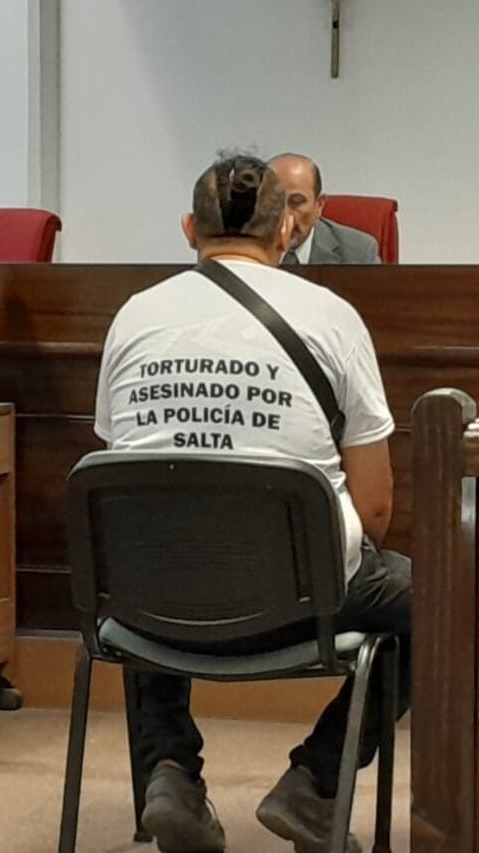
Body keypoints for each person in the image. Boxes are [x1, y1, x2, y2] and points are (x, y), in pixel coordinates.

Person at [94, 152, 410, 853]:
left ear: (187, 228)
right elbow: (379, 509)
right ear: (287, 232)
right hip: (302, 602)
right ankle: (316, 785)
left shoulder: (131, 319)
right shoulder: (334, 317)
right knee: (438, 598)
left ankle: (169, 772)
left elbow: (125, 489)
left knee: (151, 552)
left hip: (154, 609)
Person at [268, 153, 381, 265]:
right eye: (274, 201)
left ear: (319, 205)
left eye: (296, 202)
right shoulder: (250, 244)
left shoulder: (359, 252)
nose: (284, 214)